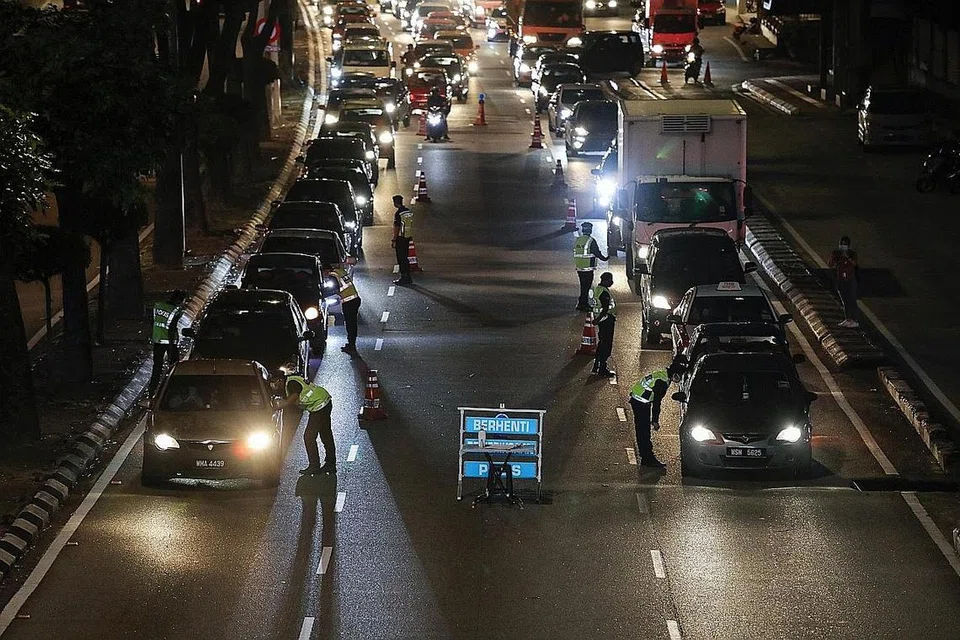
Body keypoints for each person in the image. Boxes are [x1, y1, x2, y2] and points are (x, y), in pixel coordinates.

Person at [629, 360, 686, 468]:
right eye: (679, 376)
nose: (679, 379)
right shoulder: (662, 382)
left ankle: (646, 457)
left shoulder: (663, 375)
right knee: (643, 432)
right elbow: (657, 402)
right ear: (674, 374)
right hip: (640, 403)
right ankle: (647, 458)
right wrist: (655, 420)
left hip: (638, 400)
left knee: (642, 431)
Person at [285, 375, 336, 475]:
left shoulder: (291, 383)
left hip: (319, 406)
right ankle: (330, 464)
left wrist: (283, 404)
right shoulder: (292, 380)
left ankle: (314, 466)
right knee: (326, 435)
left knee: (309, 437)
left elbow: (295, 395)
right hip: (325, 401)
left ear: (279, 380)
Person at [149, 290, 187, 393]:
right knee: (174, 367)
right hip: (170, 342)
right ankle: (173, 388)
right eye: (183, 301)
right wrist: (171, 347)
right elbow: (171, 328)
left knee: (157, 367)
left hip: (157, 340)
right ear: (179, 300)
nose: (183, 303)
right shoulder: (176, 310)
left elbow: (152, 321)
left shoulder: (158, 306)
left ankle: (152, 389)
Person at [573, 221, 609, 311]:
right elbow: (597, 252)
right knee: (586, 287)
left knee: (583, 286)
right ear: (590, 230)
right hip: (588, 268)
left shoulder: (578, 240)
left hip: (579, 268)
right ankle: (583, 305)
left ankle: (581, 303)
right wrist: (605, 258)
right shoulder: (590, 241)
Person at [828, 235, 859, 328]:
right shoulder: (837, 253)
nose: (843, 246)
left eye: (845, 244)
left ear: (848, 246)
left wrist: (847, 257)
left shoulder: (852, 254)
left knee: (852, 300)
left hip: (850, 280)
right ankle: (848, 319)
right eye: (841, 244)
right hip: (840, 280)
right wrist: (833, 256)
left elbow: (855, 264)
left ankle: (855, 320)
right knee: (844, 300)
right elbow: (830, 264)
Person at [590, 272, 616, 377]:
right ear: (605, 280)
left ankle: (596, 365)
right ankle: (602, 368)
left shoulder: (597, 289)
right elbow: (605, 308)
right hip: (606, 321)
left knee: (602, 343)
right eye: (610, 280)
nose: (611, 282)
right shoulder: (604, 292)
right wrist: (599, 319)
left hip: (601, 321)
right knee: (606, 345)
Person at [331, 265, 361, 353]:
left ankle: (351, 344)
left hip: (349, 302)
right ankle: (351, 343)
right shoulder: (340, 271)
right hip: (355, 299)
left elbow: (335, 289)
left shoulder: (333, 276)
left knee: (350, 324)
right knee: (352, 323)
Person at [392, 194, 414, 285]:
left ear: (396, 203)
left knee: (401, 258)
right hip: (407, 237)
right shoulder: (408, 211)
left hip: (400, 238)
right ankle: (408, 276)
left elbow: (397, 227)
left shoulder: (398, 214)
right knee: (405, 257)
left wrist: (394, 239)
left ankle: (404, 277)